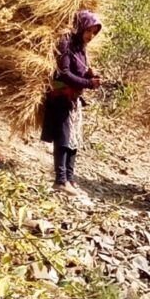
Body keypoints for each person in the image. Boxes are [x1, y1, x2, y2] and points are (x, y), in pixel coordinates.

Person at [41, 10, 103, 196]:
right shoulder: (66, 44)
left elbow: (78, 72)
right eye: (88, 31)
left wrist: (89, 75)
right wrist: (88, 83)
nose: (91, 36)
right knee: (63, 139)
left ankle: (70, 179)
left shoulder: (80, 48)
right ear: (80, 27)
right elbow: (64, 74)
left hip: (73, 101)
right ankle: (60, 181)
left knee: (73, 140)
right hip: (61, 98)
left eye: (94, 32)